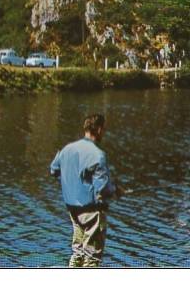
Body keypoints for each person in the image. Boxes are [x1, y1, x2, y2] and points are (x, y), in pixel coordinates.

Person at [50, 113, 122, 267]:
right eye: (104, 130)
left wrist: (71, 184)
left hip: (73, 210)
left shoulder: (67, 149)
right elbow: (103, 189)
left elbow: (54, 169)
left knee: (78, 252)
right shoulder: (98, 155)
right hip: (91, 213)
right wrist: (116, 190)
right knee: (92, 257)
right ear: (100, 129)